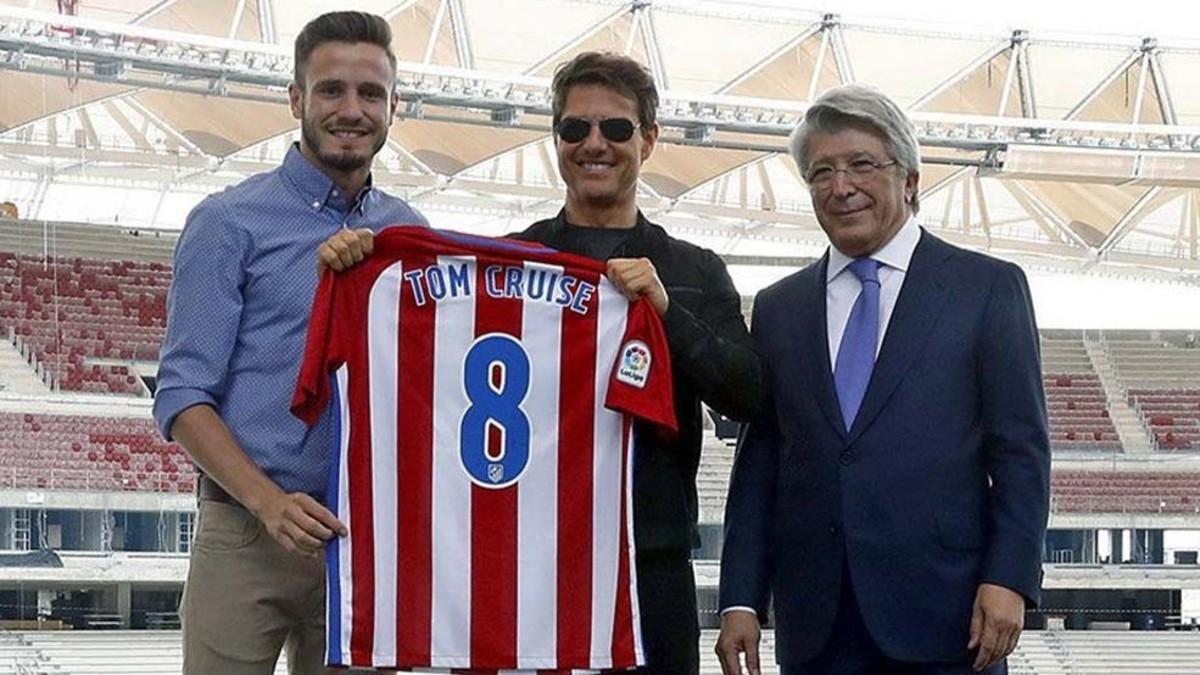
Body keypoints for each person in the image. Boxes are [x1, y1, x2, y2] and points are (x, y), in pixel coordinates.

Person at [319, 51, 762, 675]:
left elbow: (749, 396)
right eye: (574, 129)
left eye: (616, 128)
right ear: (556, 140)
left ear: (650, 139)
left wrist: (665, 313)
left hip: (649, 569)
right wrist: (362, 267)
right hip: (527, 577)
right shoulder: (504, 264)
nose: (594, 145)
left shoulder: (694, 269)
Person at [715, 84, 1050, 675]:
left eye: (861, 165)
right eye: (821, 171)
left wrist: (1010, 578)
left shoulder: (987, 289)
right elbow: (761, 461)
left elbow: (1021, 451)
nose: (841, 187)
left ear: (910, 180)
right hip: (816, 626)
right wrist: (740, 596)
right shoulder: (778, 307)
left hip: (950, 620)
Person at [153, 11, 427, 675]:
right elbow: (183, 396)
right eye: (332, 90)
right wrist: (269, 503)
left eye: (371, 94)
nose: (352, 109)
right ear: (297, 99)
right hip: (246, 531)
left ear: (393, 108)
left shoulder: (410, 234)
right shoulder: (227, 222)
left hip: (365, 540)